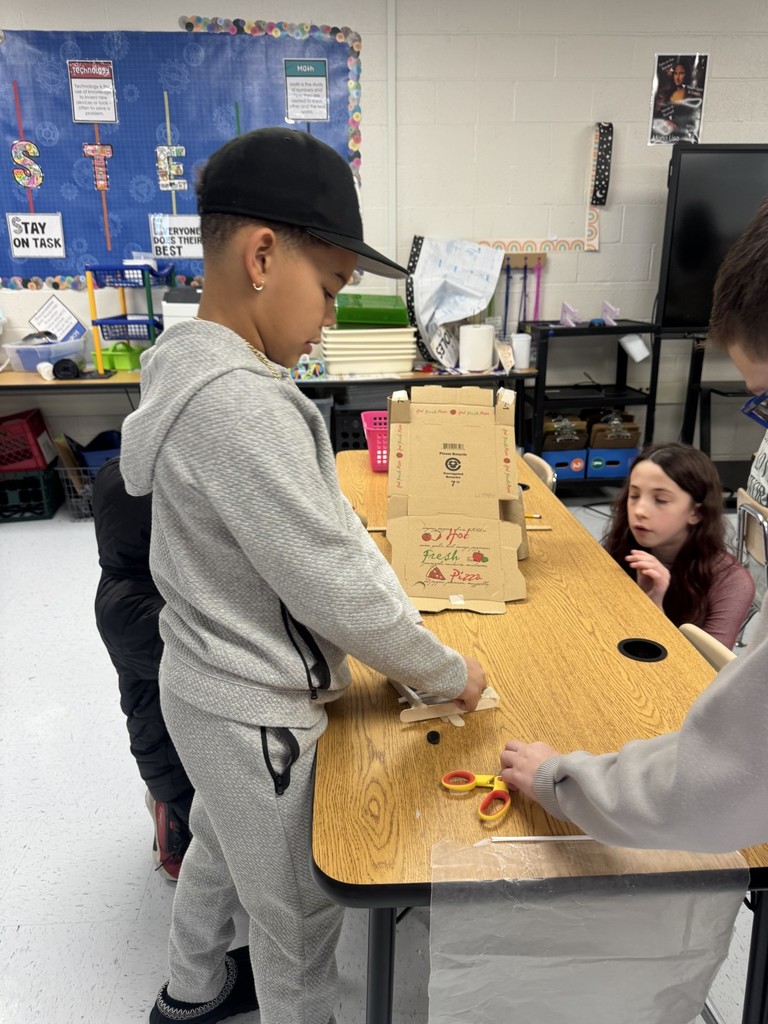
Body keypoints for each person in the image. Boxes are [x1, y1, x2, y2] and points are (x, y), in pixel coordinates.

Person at [118, 126, 486, 1024]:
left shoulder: (182, 364)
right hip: (257, 715)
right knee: (295, 926)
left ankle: (192, 992)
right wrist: (446, 672)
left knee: (216, 842)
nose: (328, 316)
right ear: (261, 256)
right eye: (327, 289)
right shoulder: (243, 404)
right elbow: (331, 582)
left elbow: (320, 542)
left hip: (205, 690)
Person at [498, 197, 768, 854]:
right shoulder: (627, 547)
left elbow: (723, 774)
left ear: (698, 512)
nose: (640, 513)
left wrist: (564, 783)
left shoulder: (727, 579)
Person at [92, 457, 193, 881]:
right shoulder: (128, 607)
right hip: (169, 748)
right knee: (190, 848)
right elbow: (205, 649)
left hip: (183, 726)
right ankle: (167, 813)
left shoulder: (154, 574)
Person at [602, 442, 754, 649]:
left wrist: (653, 609)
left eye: (661, 500)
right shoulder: (622, 545)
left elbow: (707, 671)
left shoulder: (731, 582)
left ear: (697, 512)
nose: (640, 510)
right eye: (634, 495)